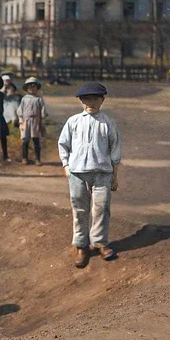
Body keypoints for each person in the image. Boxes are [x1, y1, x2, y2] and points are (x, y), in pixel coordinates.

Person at [58, 82, 121, 269]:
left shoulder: (107, 122)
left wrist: (115, 176)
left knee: (101, 207)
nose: (90, 103)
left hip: (102, 172)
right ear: (80, 101)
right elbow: (63, 144)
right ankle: (81, 245)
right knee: (80, 208)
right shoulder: (74, 121)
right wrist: (66, 166)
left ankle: (100, 242)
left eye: (95, 99)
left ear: (102, 100)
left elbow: (115, 149)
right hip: (77, 173)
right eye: (86, 99)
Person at [17, 77, 48, 166]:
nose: (32, 89)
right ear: (27, 89)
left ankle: (37, 159)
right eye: (30, 87)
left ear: (37, 88)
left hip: (36, 121)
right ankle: (24, 158)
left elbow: (43, 109)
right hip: (25, 121)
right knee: (25, 140)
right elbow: (20, 110)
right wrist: (21, 120)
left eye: (34, 87)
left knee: (36, 140)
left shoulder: (39, 99)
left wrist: (42, 117)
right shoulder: (24, 99)